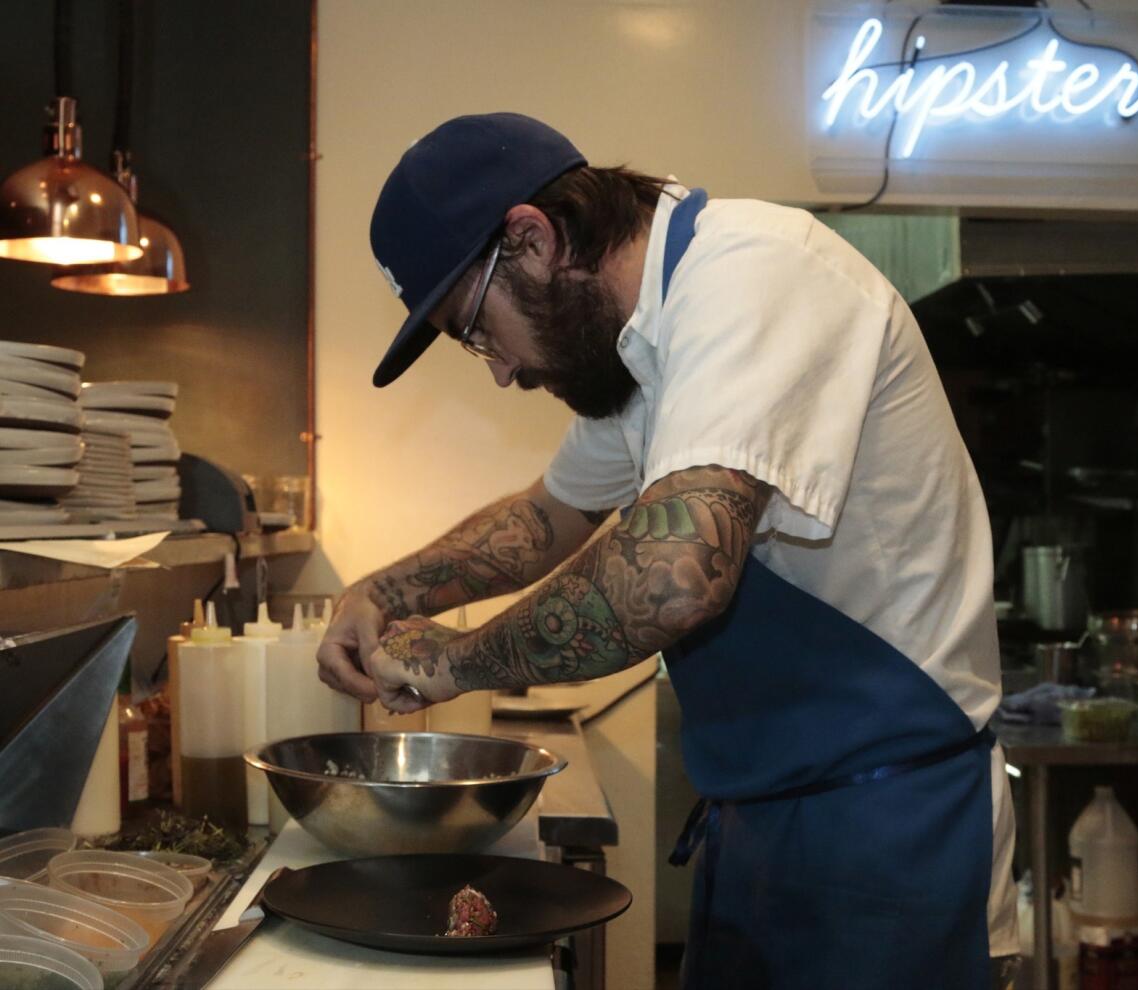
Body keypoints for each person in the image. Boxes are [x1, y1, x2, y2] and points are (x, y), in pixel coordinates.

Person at [317, 112, 1018, 989]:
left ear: (531, 239)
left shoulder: (753, 275)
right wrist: (382, 594)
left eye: (477, 329)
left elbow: (668, 582)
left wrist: (454, 661)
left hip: (893, 834)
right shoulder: (640, 352)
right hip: (763, 822)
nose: (500, 370)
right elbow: (548, 518)